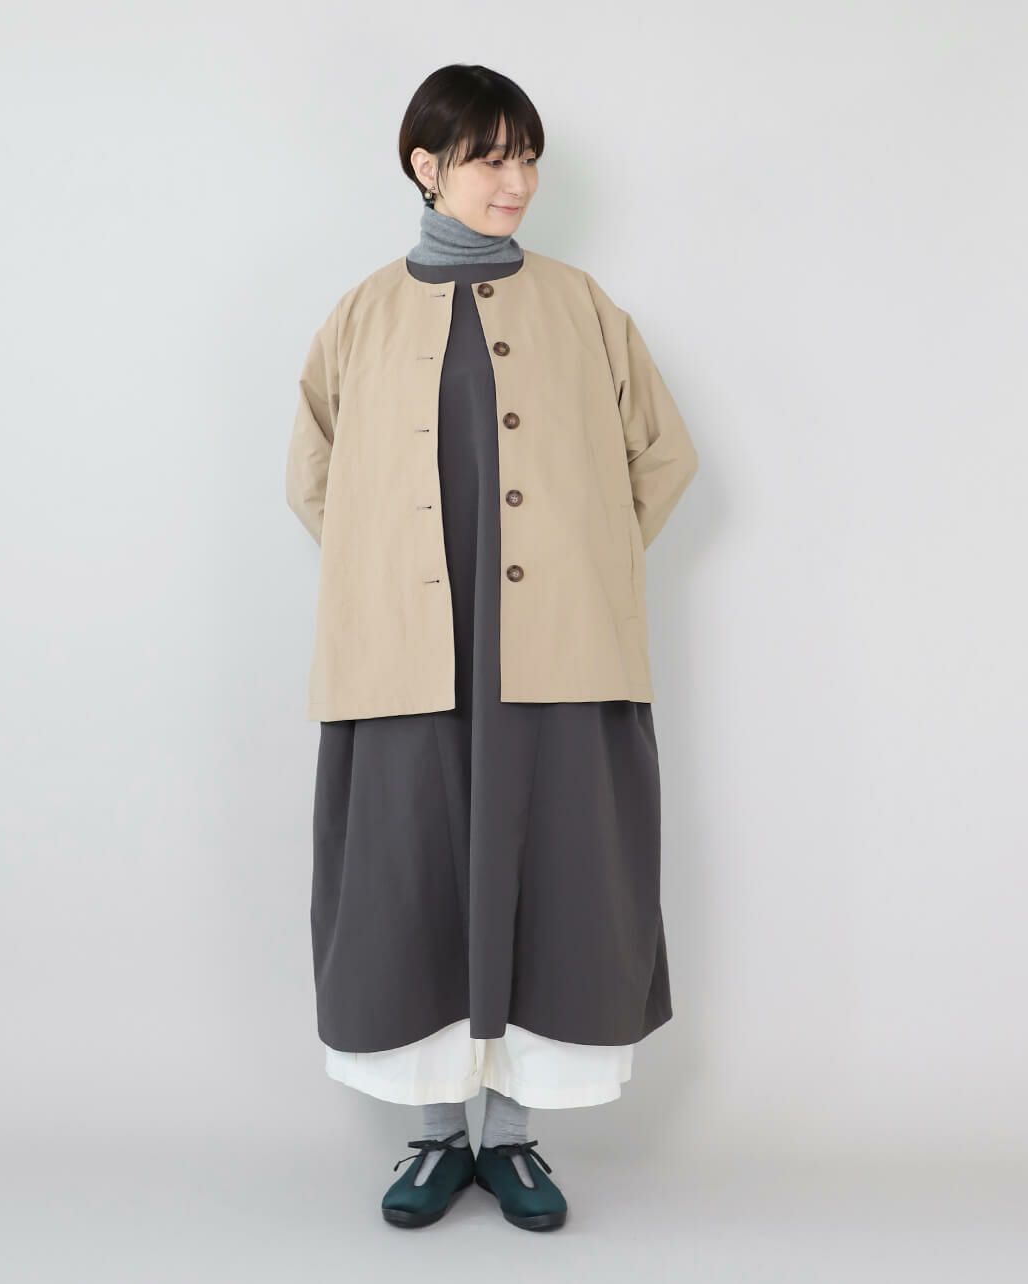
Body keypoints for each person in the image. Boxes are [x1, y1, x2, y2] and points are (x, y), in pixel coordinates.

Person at [286, 64, 699, 1231]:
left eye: (526, 158)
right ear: (425, 165)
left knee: (554, 876)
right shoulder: (360, 315)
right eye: (487, 157)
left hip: (554, 658)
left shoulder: (579, 306)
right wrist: (392, 575)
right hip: (403, 659)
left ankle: (512, 1138)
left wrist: (580, 567)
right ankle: (433, 1137)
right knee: (411, 876)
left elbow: (661, 455)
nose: (514, 181)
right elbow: (312, 473)